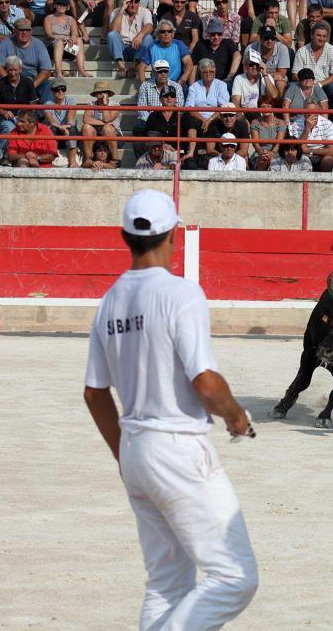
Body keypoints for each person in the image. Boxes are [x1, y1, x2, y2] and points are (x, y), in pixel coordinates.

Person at [84, 189, 258, 630]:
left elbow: (95, 394)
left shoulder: (109, 302)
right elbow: (204, 381)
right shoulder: (181, 293)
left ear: (125, 236)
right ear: (173, 235)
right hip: (179, 447)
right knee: (235, 577)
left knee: (167, 583)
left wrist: (124, 454)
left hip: (136, 448)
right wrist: (236, 415)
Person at [108, 0, 154, 78]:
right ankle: (121, 67)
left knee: (148, 38)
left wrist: (139, 36)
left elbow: (149, 26)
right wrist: (122, 10)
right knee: (111, 35)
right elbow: (113, 29)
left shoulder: (145, 11)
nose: (133, 5)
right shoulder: (116, 12)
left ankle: (133, 66)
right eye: (130, 1)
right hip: (122, 48)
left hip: (137, 48)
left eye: (136, 1)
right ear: (125, 2)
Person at [43, 0, 87, 77]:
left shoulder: (71, 19)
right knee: (59, 42)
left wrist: (72, 38)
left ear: (67, 6)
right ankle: (58, 72)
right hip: (52, 48)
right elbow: (49, 34)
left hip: (67, 49)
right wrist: (61, 38)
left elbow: (75, 34)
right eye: (59, 4)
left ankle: (81, 70)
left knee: (79, 40)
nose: (61, 6)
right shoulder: (49, 18)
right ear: (55, 5)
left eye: (64, 4)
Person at [81, 80, 121, 163]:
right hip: (95, 133)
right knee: (86, 127)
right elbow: (86, 119)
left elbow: (107, 119)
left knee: (107, 128)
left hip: (114, 135)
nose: (100, 93)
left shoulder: (115, 105)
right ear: (95, 94)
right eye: (98, 91)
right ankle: (88, 159)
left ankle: (115, 160)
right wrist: (104, 123)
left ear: (107, 94)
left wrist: (105, 104)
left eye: (103, 91)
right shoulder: (91, 104)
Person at [44, 76, 79, 167]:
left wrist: (66, 127)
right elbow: (50, 119)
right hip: (56, 130)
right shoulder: (48, 104)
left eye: (63, 89)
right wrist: (60, 127)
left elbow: (70, 117)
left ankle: (73, 162)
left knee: (72, 129)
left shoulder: (71, 101)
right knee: (52, 129)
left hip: (67, 129)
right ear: (52, 91)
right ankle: (50, 159)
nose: (60, 91)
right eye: (57, 89)